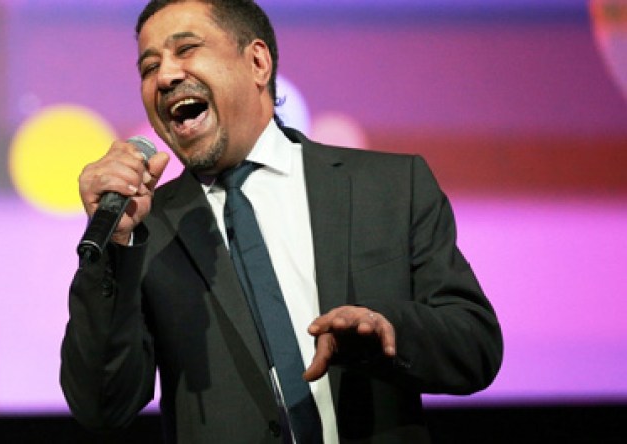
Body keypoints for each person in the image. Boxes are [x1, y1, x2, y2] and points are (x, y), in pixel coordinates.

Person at [60, 0, 503, 442]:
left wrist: (389, 330)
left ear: (257, 62)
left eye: (187, 49)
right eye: (149, 67)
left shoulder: (388, 187)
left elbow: (475, 347)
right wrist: (115, 248)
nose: (165, 76)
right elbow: (102, 406)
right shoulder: (144, 231)